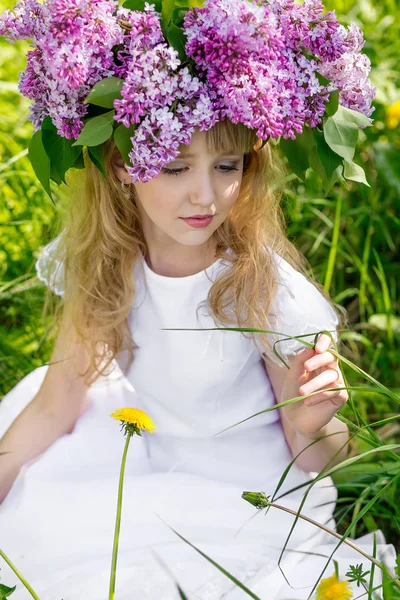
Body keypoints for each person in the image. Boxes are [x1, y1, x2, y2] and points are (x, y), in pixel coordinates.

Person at [0, 0, 396, 598]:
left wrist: (318, 421)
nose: (205, 196)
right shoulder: (111, 264)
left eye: (227, 164)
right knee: (51, 521)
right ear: (123, 166)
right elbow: (58, 404)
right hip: (146, 448)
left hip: (241, 486)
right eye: (175, 166)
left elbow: (316, 457)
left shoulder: (264, 292)